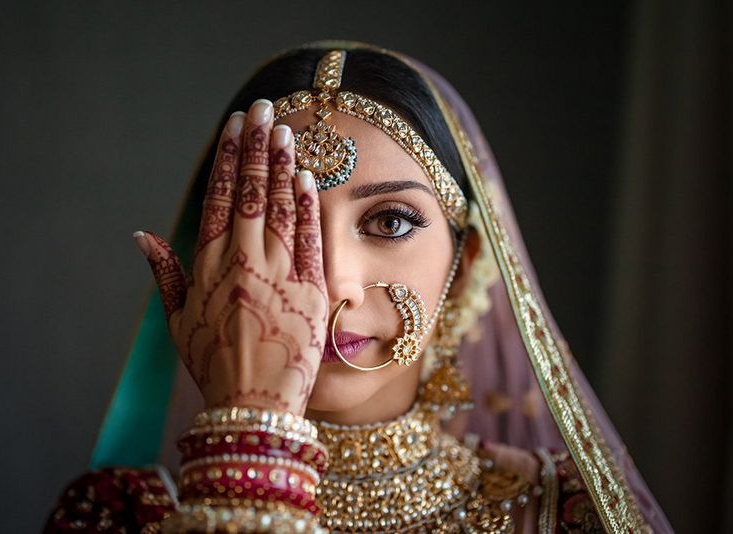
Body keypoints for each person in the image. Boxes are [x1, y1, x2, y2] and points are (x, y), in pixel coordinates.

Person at [44, 42, 672, 533]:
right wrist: (252, 439)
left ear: (470, 258)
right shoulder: (115, 516)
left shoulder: (560, 515)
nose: (331, 282)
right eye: (281, 222)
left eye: (390, 221)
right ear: (214, 254)